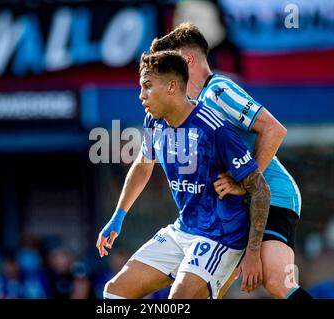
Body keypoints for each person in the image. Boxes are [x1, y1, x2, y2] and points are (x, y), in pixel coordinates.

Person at [150, 22, 313, 299]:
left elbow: (274, 130)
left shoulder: (218, 90)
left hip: (274, 197)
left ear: (187, 60)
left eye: (170, 65)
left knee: (276, 280)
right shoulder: (193, 106)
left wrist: (244, 182)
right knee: (204, 290)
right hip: (238, 206)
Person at [96, 51, 271, 299]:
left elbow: (261, 190)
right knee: (114, 293)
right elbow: (143, 165)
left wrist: (252, 254)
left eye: (147, 86)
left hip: (220, 236)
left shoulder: (214, 129)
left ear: (171, 86)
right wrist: (118, 217)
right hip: (183, 230)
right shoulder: (154, 121)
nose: (141, 95)